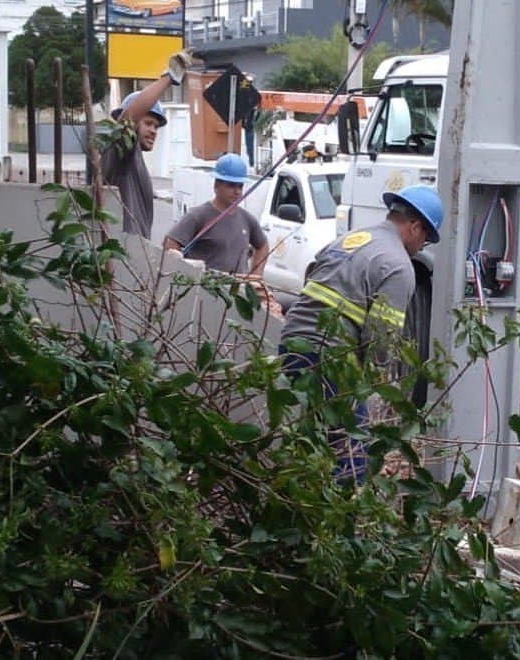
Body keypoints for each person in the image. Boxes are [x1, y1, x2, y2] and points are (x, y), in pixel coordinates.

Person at [279, 184, 443, 483]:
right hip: (331, 358)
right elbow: (380, 337)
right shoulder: (399, 266)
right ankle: (339, 507)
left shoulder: (349, 240)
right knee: (350, 449)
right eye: (426, 239)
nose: (422, 247)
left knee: (309, 438)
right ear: (415, 226)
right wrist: (379, 382)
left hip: (292, 342)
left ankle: (297, 497)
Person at [101, 51, 191, 239]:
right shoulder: (120, 151)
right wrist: (169, 78)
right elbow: (127, 122)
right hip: (122, 250)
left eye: (156, 126)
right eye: (148, 123)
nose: (153, 131)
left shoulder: (134, 160)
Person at [163, 153, 269, 276]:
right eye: (231, 185)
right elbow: (170, 244)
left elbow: (262, 246)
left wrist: (256, 274)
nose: (237, 191)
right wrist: (185, 272)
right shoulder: (197, 216)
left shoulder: (247, 219)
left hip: (237, 286)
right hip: (205, 286)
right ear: (216, 185)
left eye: (240, 186)